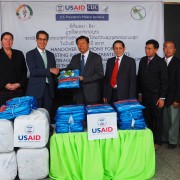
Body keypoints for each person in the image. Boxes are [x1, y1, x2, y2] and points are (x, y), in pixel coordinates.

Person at [137, 39, 168, 150]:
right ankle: (149, 139)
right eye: (146, 48)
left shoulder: (161, 62)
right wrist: (139, 92)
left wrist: (162, 98)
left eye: (149, 48)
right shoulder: (143, 60)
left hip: (156, 97)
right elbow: (139, 78)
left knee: (158, 119)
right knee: (147, 119)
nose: (147, 50)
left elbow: (164, 81)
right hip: (145, 97)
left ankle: (158, 142)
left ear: (156, 49)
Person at [26, 30, 59, 115]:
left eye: (44, 39)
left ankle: (47, 128)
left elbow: (54, 73)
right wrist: (50, 70)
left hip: (49, 89)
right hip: (36, 89)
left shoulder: (51, 55)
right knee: (36, 115)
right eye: (40, 39)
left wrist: (63, 79)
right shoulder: (30, 54)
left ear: (47, 41)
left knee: (47, 114)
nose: (42, 41)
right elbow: (33, 71)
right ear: (36, 40)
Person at [66, 35, 104, 105]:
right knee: (79, 115)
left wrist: (84, 78)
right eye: (78, 44)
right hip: (78, 94)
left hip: (92, 95)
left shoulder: (96, 57)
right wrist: (59, 71)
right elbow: (68, 71)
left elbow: (100, 74)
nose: (81, 46)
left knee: (91, 115)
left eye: (83, 43)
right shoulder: (75, 58)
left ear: (88, 44)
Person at [0, 32, 27, 106]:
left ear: (13, 41)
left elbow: (24, 71)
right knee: (4, 116)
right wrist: (5, 84)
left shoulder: (19, 53)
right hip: (2, 92)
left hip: (18, 91)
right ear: (1, 41)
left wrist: (19, 84)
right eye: (5, 39)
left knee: (19, 115)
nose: (8, 41)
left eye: (10, 39)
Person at [162, 41, 180, 149]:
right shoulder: (160, 62)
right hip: (163, 97)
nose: (168, 49)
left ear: (175, 50)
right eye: (166, 47)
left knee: (174, 120)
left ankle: (173, 141)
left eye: (171, 47)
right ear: (163, 49)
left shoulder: (178, 63)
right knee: (165, 119)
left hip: (174, 97)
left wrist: (177, 99)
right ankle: (165, 138)